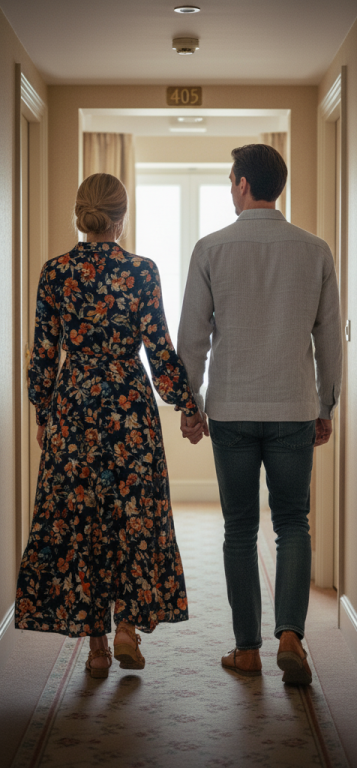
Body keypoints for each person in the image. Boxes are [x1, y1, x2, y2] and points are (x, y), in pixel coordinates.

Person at [16, 173, 202, 679]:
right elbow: (160, 351)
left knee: (82, 524)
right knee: (131, 518)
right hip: (129, 411)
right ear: (122, 217)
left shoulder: (55, 272)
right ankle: (126, 628)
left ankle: (97, 648)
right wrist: (187, 404)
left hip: (74, 407)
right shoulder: (141, 271)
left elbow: (42, 356)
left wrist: (44, 414)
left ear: (82, 214)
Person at [177, 143, 342, 685]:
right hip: (294, 407)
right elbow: (329, 339)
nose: (231, 189)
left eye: (232, 181)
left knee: (240, 528)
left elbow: (192, 338)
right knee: (293, 522)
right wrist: (326, 403)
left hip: (231, 409)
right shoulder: (315, 250)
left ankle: (247, 649)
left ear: (243, 184)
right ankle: (290, 636)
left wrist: (190, 404)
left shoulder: (210, 249)